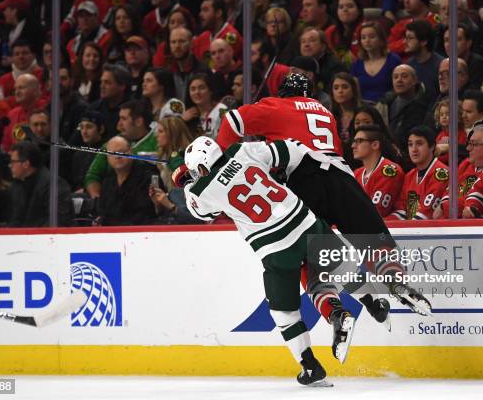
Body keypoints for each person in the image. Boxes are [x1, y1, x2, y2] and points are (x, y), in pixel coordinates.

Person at [213, 73, 430, 319]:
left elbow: (233, 119)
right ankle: (396, 282)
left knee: (311, 258)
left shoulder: (277, 105)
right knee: (372, 240)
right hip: (342, 178)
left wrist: (221, 161)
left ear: (284, 92)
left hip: (303, 182)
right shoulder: (324, 112)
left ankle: (334, 312)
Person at [183, 135, 355, 386]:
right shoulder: (242, 150)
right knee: (327, 276)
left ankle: (310, 366)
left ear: (201, 168)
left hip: (276, 248)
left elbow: (200, 211)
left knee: (284, 312)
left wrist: (186, 182)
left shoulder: (202, 189)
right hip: (304, 222)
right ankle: (340, 312)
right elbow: (288, 150)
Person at [434, 124, 483, 219]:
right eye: (468, 143)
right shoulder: (466, 164)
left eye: (473, 144)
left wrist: (445, 207)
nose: (468, 148)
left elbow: (473, 206)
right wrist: (445, 205)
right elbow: (450, 191)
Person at [7, 141, 73, 227]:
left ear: (26, 164)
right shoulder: (17, 186)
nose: (10, 165)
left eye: (13, 162)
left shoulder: (53, 184)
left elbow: (58, 221)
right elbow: (15, 222)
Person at [389, 126, 449, 220]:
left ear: (432, 146)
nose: (414, 149)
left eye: (419, 144)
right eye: (410, 144)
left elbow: (427, 212)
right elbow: (402, 210)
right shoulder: (410, 176)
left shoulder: (442, 173)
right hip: (412, 229)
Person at [95, 136, 157, 226]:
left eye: (122, 152)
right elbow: (104, 213)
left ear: (131, 152)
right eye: (112, 153)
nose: (117, 156)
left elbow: (146, 214)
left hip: (140, 232)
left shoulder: (147, 176)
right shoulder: (107, 181)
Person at [148, 117, 199, 224]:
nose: (157, 135)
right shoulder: (165, 159)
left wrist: (170, 205)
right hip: (173, 216)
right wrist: (160, 201)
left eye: (161, 131)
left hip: (189, 219)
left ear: (172, 134)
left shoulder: (188, 159)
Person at [352, 125, 405, 218]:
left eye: (359, 141)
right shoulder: (357, 173)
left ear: (375, 145)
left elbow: (377, 211)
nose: (353, 146)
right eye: (354, 141)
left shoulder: (390, 170)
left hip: (390, 228)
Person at [376, 65, 429, 152]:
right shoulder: (384, 104)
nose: (399, 80)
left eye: (404, 76)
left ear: (414, 80)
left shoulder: (424, 105)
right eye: (395, 77)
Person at [350, 22, 402, 104]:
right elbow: (355, 92)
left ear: (381, 39)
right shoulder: (357, 64)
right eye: (363, 38)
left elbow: (399, 87)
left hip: (388, 105)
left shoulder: (393, 60)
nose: (367, 40)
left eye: (372, 37)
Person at [1, 73, 47, 152]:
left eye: (21, 88)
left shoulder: (47, 109)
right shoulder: (11, 114)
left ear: (35, 90)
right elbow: (6, 146)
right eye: (15, 89)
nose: (17, 92)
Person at [194, 0, 243, 65]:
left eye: (205, 10)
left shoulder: (231, 36)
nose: (200, 14)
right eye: (201, 10)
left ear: (218, 13)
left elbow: (221, 65)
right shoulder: (202, 37)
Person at [298, 27, 348, 93]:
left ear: (323, 46)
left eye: (312, 40)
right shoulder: (297, 66)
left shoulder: (335, 66)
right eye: (303, 41)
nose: (306, 45)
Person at [0, 39, 45, 107]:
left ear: (33, 56)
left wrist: (10, 100)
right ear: (12, 58)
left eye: (25, 53)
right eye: (17, 54)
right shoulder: (3, 80)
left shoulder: (44, 75)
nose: (21, 57)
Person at [405, 20, 444, 103]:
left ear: (424, 41)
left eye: (410, 38)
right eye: (406, 38)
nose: (405, 42)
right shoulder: (408, 66)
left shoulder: (441, 65)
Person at [182, 73, 228, 139]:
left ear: (210, 90)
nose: (197, 92)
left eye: (201, 88)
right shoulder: (189, 117)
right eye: (193, 89)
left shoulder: (222, 110)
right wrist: (182, 121)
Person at [324, 0, 364, 69]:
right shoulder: (330, 32)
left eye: (350, 6)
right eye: (341, 7)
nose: (345, 9)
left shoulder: (366, 29)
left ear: (359, 11)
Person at [65, 1, 110, 65]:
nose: (85, 19)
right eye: (81, 16)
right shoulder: (71, 44)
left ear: (96, 16)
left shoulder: (108, 38)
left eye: (88, 15)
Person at [71, 111, 105, 193]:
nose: (84, 132)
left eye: (89, 127)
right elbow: (75, 183)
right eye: (81, 127)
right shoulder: (78, 155)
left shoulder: (106, 152)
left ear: (101, 129)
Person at [330, 72, 362, 146]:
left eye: (345, 87)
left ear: (353, 91)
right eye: (336, 88)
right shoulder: (329, 116)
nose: (340, 91)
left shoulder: (363, 113)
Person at [433, 99, 467, 165]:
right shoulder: (440, 135)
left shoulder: (461, 134)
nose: (444, 117)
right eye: (441, 114)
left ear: (458, 116)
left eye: (448, 114)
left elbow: (460, 154)